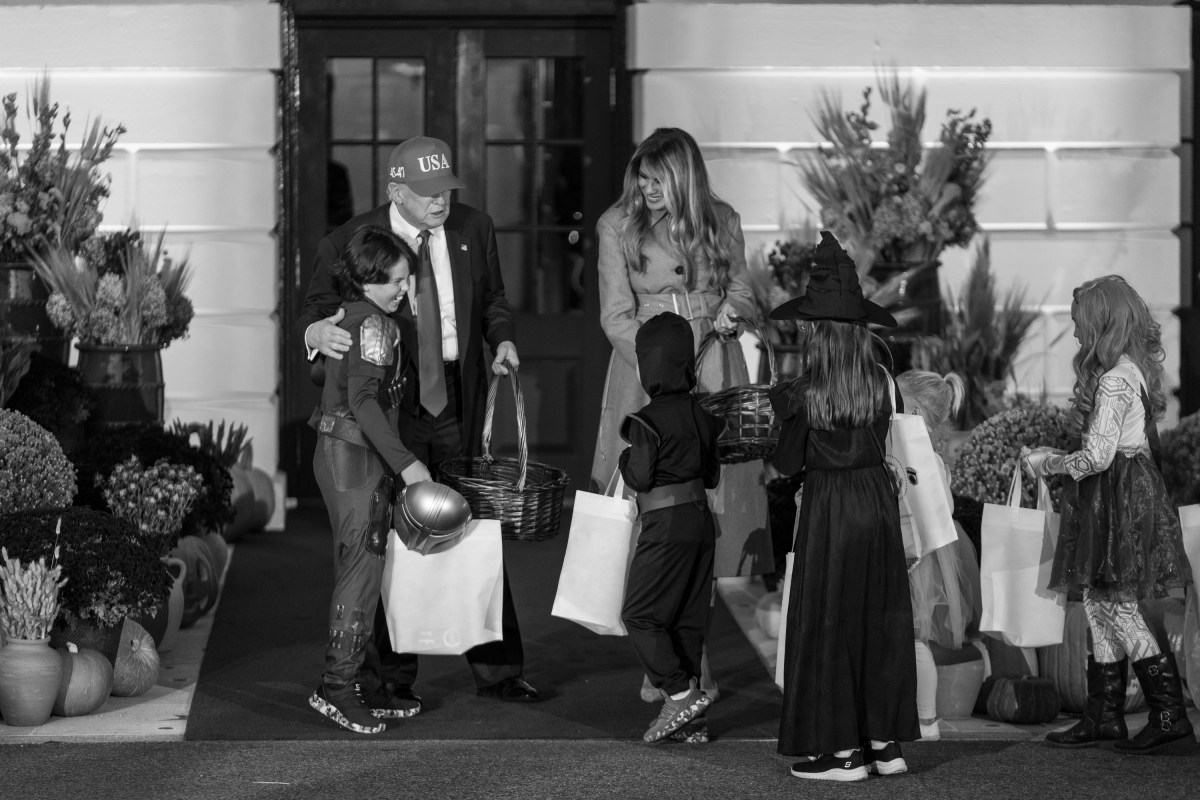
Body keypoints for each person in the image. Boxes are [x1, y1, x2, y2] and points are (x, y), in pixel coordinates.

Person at [299, 136, 539, 707]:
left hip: (456, 396)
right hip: (388, 405)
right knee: (391, 535)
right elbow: (313, 310)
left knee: (473, 525)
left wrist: (500, 339)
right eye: (428, 193)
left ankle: (499, 671)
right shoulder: (349, 241)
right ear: (394, 190)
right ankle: (390, 679)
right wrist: (313, 334)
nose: (441, 202)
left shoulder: (474, 230)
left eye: (447, 190)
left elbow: (495, 300)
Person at [591, 126, 774, 702]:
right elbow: (614, 317)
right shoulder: (615, 226)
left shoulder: (722, 219)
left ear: (683, 178)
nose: (645, 189)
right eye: (640, 179)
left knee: (708, 520)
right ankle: (668, 659)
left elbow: (744, 290)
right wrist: (660, 368)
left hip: (715, 369)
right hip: (646, 374)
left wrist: (730, 313)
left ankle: (685, 661)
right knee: (656, 515)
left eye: (657, 180)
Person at [768, 231, 919, 782]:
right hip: (875, 503)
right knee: (877, 617)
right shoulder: (881, 381)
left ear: (815, 332)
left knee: (829, 622)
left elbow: (786, 466)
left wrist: (782, 416)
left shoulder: (805, 393)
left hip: (831, 507)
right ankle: (884, 744)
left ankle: (841, 753)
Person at [1022, 274, 1193, 753]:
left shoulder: (1116, 381)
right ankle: (1104, 715)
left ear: (1100, 323)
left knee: (1117, 605)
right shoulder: (1128, 371)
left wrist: (1046, 462)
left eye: (1080, 324)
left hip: (1117, 497)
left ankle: (1168, 714)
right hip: (1117, 495)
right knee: (1098, 604)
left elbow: (1096, 456)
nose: (1076, 334)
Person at [308, 225, 427, 734]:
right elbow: (362, 402)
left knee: (365, 569)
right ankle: (337, 689)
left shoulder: (357, 318)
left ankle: (350, 684)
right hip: (354, 456)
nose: (405, 288)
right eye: (397, 280)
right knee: (361, 572)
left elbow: (329, 382)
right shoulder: (375, 325)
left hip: (348, 453)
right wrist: (408, 464)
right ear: (368, 279)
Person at [618, 312, 724, 743]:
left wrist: (625, 459)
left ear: (647, 367)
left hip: (664, 524)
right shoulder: (703, 414)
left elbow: (639, 478)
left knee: (640, 614)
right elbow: (713, 474)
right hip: (700, 521)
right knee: (686, 618)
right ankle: (692, 723)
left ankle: (680, 694)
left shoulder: (647, 421)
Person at [894, 370, 982, 743]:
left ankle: (927, 720)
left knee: (914, 641)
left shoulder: (924, 460)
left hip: (918, 559)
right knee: (907, 642)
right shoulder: (916, 454)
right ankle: (913, 718)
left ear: (912, 408)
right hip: (914, 553)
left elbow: (940, 510)